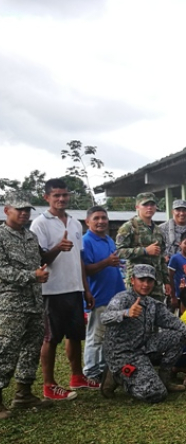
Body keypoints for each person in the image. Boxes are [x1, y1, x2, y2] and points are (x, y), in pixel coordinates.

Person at [30, 178, 98, 400]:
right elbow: (38, 258)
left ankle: (77, 377)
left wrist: (85, 289)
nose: (61, 199)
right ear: (46, 197)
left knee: (75, 335)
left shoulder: (75, 223)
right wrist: (58, 247)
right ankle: (49, 385)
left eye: (64, 195)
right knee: (51, 338)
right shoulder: (40, 223)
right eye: (56, 195)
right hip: (52, 290)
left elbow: (78, 258)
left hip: (74, 288)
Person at [101, 264, 186, 403]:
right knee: (156, 393)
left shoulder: (152, 304)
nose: (145, 284)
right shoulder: (122, 298)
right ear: (132, 280)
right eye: (141, 280)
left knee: (178, 337)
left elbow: (174, 322)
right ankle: (116, 377)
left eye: (149, 281)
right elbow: (105, 318)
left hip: (143, 347)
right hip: (123, 353)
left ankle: (164, 380)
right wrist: (126, 313)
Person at [0, 191, 51, 418]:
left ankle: (23, 394)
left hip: (34, 302)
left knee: (31, 348)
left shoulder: (31, 237)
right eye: (19, 209)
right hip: (10, 304)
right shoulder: (1, 236)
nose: (23, 213)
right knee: (6, 350)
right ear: (6, 210)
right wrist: (32, 275)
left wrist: (39, 275)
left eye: (27, 209)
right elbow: (2, 270)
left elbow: (39, 264)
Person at [82, 206, 126, 383]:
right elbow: (85, 269)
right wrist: (107, 262)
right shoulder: (86, 241)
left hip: (114, 295)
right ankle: (91, 372)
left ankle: (103, 369)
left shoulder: (108, 239)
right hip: (98, 296)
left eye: (104, 218)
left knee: (110, 336)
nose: (101, 221)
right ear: (88, 222)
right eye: (96, 218)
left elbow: (114, 263)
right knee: (96, 336)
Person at [116, 192, 172, 301]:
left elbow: (161, 258)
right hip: (138, 283)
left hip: (156, 283)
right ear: (137, 207)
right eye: (145, 204)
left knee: (156, 314)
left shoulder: (158, 230)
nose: (149, 207)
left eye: (152, 204)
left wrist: (166, 281)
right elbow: (118, 252)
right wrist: (145, 251)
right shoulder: (129, 227)